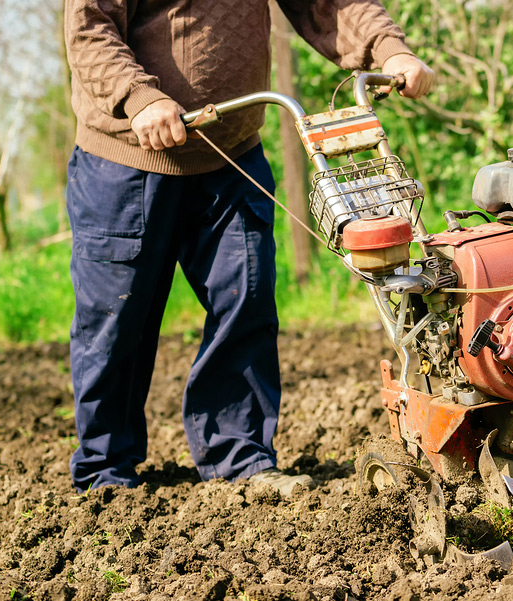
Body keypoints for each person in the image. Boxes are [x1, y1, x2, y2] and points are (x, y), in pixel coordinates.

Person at [64, 0, 434, 496]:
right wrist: (138, 96)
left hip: (232, 153)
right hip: (126, 162)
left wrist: (389, 51)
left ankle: (239, 460)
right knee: (116, 320)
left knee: (246, 303)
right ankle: (105, 473)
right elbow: (89, 27)